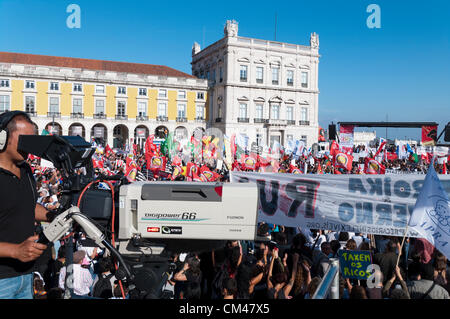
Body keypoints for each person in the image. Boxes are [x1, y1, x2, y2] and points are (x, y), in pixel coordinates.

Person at [0, 111, 54, 299]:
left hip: (26, 275)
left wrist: (51, 216)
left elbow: (27, 206)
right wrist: (15, 251)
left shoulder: (26, 169)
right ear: (2, 138)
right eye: (24, 139)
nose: (29, 146)